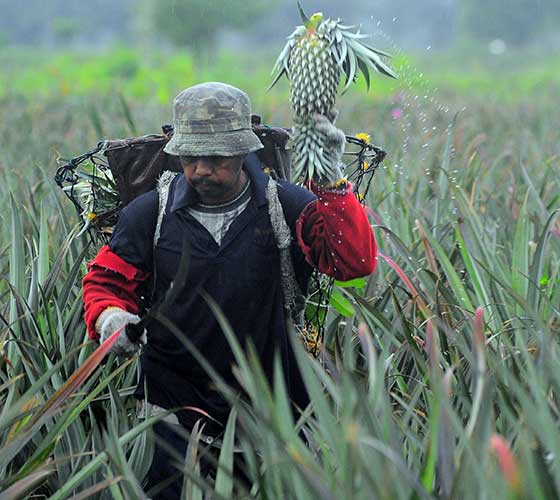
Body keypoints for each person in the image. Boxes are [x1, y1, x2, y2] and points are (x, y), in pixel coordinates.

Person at [81, 82, 377, 499]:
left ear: (243, 153)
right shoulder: (150, 213)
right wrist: (112, 318)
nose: (201, 169)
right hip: (171, 412)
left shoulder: (286, 206)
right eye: (190, 157)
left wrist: (329, 181)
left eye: (215, 157)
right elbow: (106, 282)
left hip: (273, 410)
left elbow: (353, 263)